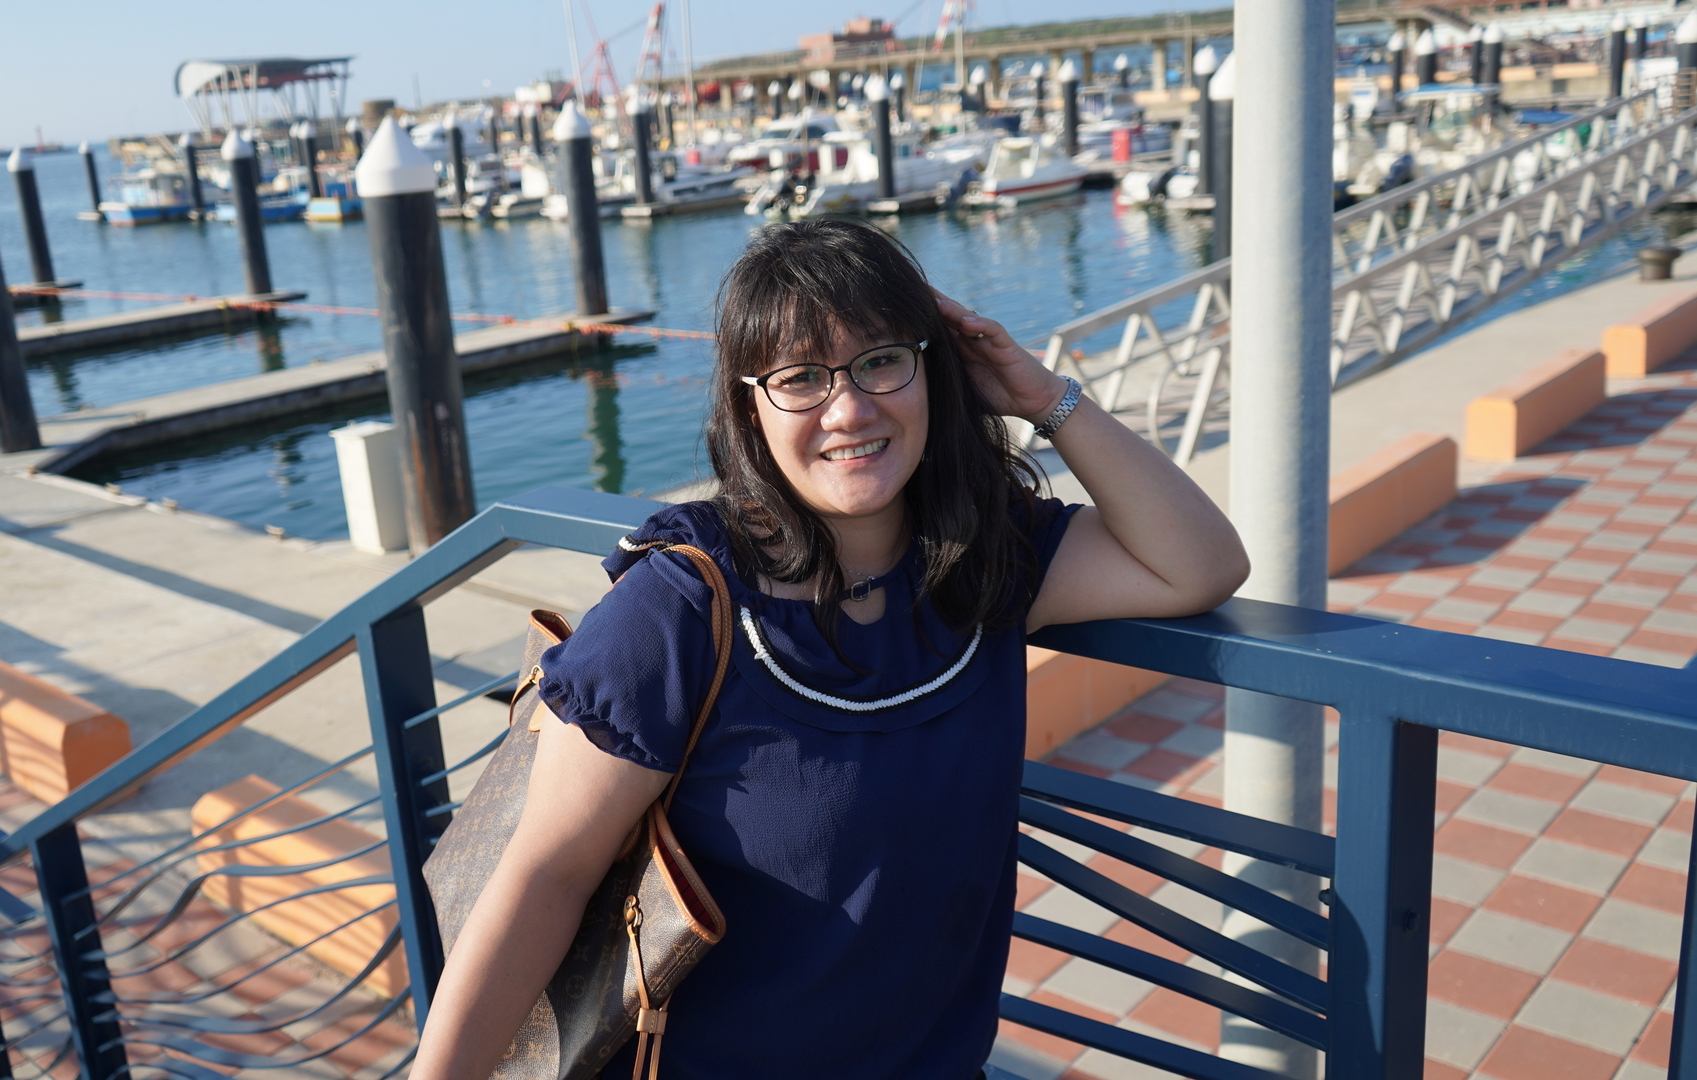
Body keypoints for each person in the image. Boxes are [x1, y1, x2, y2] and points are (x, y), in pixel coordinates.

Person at [409, 219, 1248, 1079]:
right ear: (750, 407)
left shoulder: (982, 563)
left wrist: (1044, 399)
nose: (848, 409)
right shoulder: (680, 610)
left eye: (881, 361)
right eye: (800, 378)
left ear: (933, 370)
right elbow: (544, 877)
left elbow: (1199, 565)